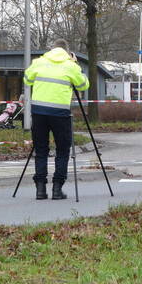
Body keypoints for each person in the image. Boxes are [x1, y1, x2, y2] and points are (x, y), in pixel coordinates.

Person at [23, 38, 89, 200]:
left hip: (38, 113)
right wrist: (76, 65)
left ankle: (40, 189)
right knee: (62, 150)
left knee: (41, 150)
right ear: (67, 52)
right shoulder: (71, 65)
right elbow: (83, 86)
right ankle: (57, 189)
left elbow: (27, 79)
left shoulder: (39, 62)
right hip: (60, 114)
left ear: (52, 49)